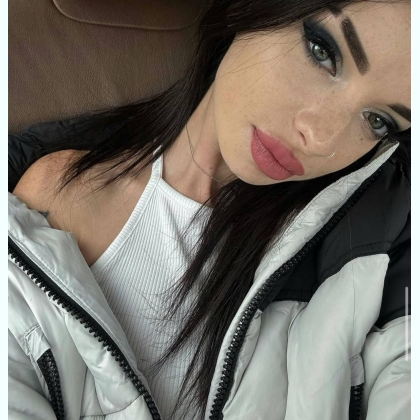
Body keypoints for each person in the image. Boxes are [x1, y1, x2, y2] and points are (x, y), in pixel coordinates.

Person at [8, 1, 411, 419]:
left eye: (377, 120)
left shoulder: (382, 246)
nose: (319, 137)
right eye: (322, 51)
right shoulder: (55, 196)